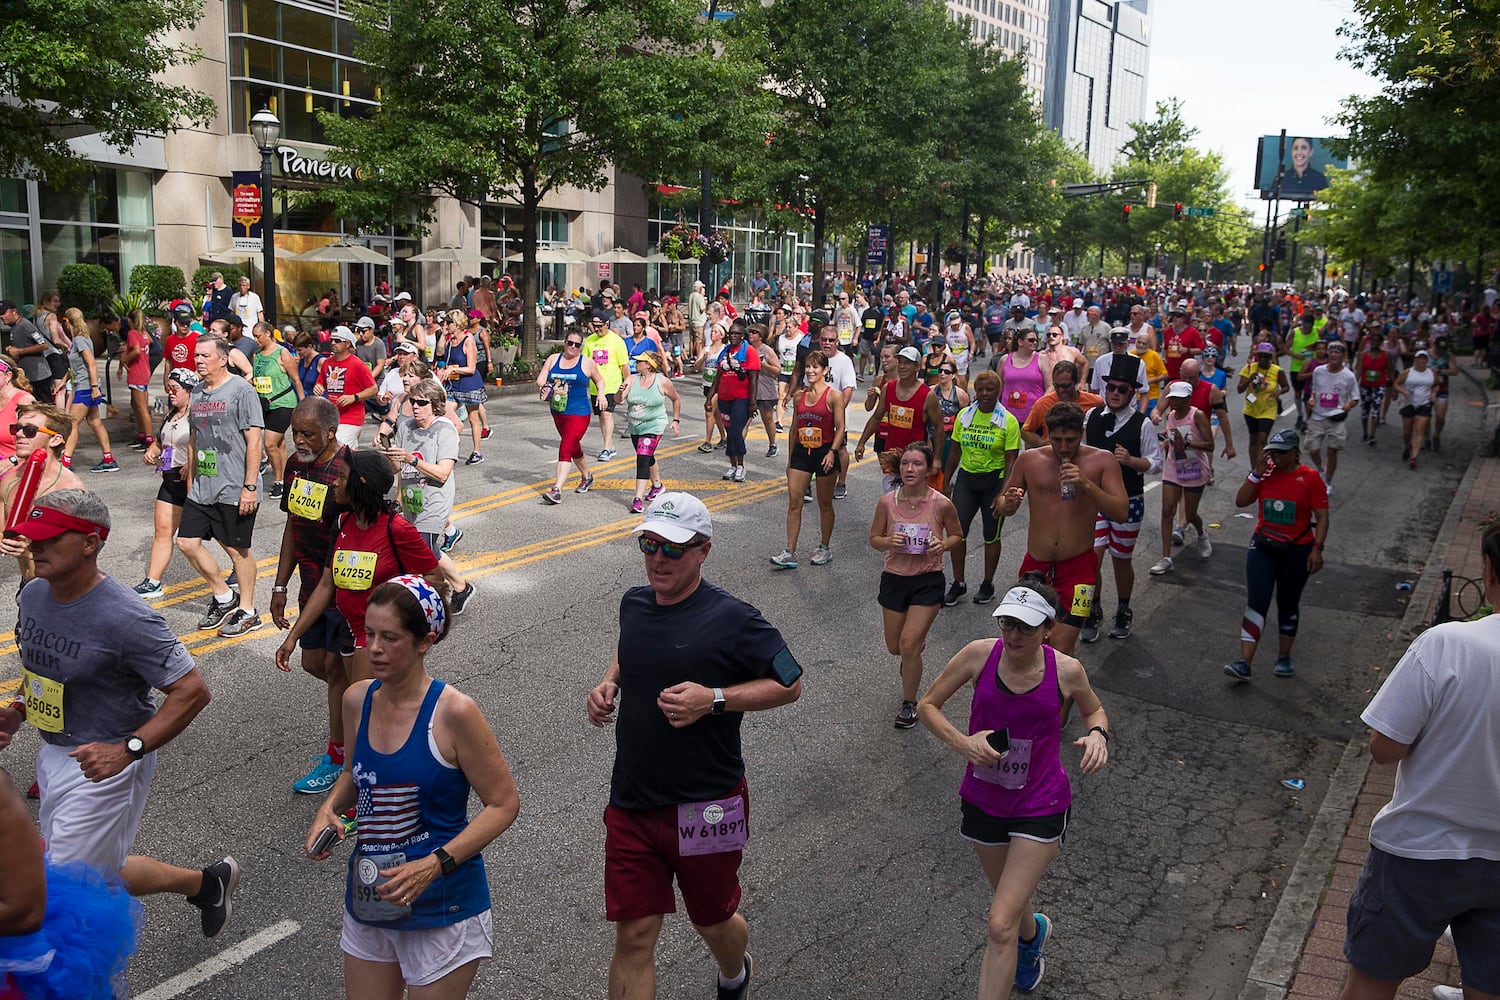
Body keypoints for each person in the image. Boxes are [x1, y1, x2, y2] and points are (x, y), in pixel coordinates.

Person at [586, 492, 804, 1000]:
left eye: (673, 549)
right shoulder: (634, 604)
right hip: (633, 801)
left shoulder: (735, 619)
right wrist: (609, 683)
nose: (658, 559)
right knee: (634, 935)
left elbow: (791, 683)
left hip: (707, 803)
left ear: (704, 550)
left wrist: (717, 699)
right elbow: (630, 645)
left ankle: (734, 971)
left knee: (712, 921)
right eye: (650, 544)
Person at [0, 489, 240, 937]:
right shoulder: (33, 594)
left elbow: (192, 690)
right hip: (54, 754)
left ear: (90, 543)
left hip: (105, 765)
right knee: (88, 871)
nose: (36, 547)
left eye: (50, 539)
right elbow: (43, 668)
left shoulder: (127, 617)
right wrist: (18, 710)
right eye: (33, 538)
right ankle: (207, 885)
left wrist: (126, 751)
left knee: (61, 889)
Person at [306, 577, 519, 998]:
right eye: (369, 634)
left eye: (390, 637)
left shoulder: (454, 712)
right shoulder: (357, 699)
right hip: (370, 896)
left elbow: (503, 804)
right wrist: (328, 809)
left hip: (442, 904)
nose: (374, 648)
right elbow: (352, 773)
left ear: (426, 641)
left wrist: (434, 864)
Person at [916, 580, 1110, 996]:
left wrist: (1098, 736)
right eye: (1007, 623)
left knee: (999, 922)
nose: (1013, 635)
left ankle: (1020, 941)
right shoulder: (978, 655)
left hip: (1041, 802)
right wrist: (964, 743)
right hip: (985, 799)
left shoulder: (1066, 670)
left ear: (1048, 628)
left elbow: (1093, 709)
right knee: (1011, 902)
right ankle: (1033, 933)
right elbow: (927, 705)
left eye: (1025, 626)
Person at [1337, 525, 1500, 1000]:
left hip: (1420, 851)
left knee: (1371, 982)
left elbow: (1385, 748)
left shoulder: (1447, 644)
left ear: (1488, 571)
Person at [275, 448, 442, 685]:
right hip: (348, 629)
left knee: (361, 702)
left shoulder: (396, 528)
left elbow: (435, 576)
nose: (334, 482)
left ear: (359, 485)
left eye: (342, 478)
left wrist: (397, 607)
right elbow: (325, 586)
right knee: (356, 703)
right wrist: (293, 638)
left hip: (375, 634)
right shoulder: (342, 523)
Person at [998, 403, 1130, 654]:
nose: (1064, 447)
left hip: (1080, 571)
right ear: (1047, 433)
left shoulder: (1102, 461)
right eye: (1057, 440)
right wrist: (1009, 502)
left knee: (1061, 647)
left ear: (1081, 432)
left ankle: (1061, 693)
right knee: (1026, 641)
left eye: (1070, 440)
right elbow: (1003, 505)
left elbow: (1121, 512)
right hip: (1035, 567)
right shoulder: (1030, 460)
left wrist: (1086, 484)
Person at [869, 442, 964, 728]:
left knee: (909, 645)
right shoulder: (887, 502)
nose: (910, 469)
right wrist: (888, 541)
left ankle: (909, 704)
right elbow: (874, 539)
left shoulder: (941, 503)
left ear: (927, 470)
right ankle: (911, 654)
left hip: (927, 579)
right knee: (895, 647)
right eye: (905, 464)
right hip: (895, 579)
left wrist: (942, 544)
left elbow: (958, 535)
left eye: (917, 464)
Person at [177, 335, 265, 638]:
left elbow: (255, 440)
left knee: (238, 550)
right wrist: (191, 480)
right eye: (196, 356)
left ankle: (249, 611)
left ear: (223, 358)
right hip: (204, 485)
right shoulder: (198, 392)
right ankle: (225, 596)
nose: (199, 361)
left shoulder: (242, 391)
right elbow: (194, 439)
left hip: (235, 484)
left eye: (205, 355)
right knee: (186, 541)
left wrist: (249, 486)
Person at [1223, 429, 1328, 682]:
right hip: (1263, 547)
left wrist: (1317, 548)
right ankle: (1244, 662)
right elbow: (1240, 501)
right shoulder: (1265, 475)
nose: (1276, 457)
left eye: (1282, 453)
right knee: (1256, 602)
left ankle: (1283, 656)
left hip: (1297, 550)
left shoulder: (1310, 478)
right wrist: (1257, 472)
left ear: (1295, 453)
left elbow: (1322, 516)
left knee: (1288, 603)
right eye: (1273, 452)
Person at [383, 379, 478, 613]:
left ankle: (423, 602)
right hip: (412, 498)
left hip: (435, 498)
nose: (415, 406)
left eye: (421, 402)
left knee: (421, 550)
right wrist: (388, 455)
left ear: (435, 405)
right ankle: (460, 586)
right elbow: (398, 468)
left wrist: (411, 459)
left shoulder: (444, 430)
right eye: (413, 401)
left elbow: (443, 473)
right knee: (428, 550)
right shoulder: (405, 427)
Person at [1079, 376, 1162, 640]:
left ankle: (1124, 609)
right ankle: (1092, 609)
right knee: (1092, 556)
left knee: (1121, 560)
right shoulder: (1091, 415)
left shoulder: (1142, 423)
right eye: (1110, 387)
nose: (1114, 393)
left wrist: (1131, 460)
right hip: (1094, 499)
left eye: (1121, 389)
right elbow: (1080, 449)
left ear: (1132, 393)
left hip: (1129, 501)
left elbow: (1156, 463)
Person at [942, 371, 1021, 606]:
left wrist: (1003, 493)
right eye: (982, 389)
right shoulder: (964, 415)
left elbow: (1011, 461)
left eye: (991, 390)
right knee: (958, 534)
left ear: (998, 392)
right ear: (976, 391)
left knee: (991, 534)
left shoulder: (1008, 421)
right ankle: (958, 583)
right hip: (967, 479)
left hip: (993, 482)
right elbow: (955, 451)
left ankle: (987, 583)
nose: (985, 394)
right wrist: (946, 482)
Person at [772, 350, 847, 568]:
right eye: (808, 367)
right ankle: (790, 552)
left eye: (815, 367)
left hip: (824, 453)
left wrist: (832, 452)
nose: (810, 371)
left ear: (825, 370)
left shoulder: (834, 396)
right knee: (794, 503)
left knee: (824, 504)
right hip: (801, 453)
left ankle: (824, 547)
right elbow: (794, 428)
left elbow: (840, 428)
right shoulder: (799, 396)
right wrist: (789, 460)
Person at [0, 404, 84, 583]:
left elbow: (76, 554)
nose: (20, 434)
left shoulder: (70, 490)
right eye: (17, 428)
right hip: (28, 584)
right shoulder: (10, 481)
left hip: (62, 588)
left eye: (30, 430)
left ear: (55, 440)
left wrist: (29, 552)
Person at [135, 369, 199, 598]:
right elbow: (162, 443)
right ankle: (153, 581)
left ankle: (236, 568)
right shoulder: (170, 414)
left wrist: (191, 465)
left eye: (175, 389)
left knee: (211, 533)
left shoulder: (197, 415)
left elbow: (207, 445)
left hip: (192, 481)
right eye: (168, 388)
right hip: (169, 479)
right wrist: (152, 451)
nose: (170, 393)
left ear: (189, 391)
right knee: (162, 532)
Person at [536, 331, 608, 505]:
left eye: (577, 345)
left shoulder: (586, 362)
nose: (573, 347)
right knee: (573, 447)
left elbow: (599, 380)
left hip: (579, 412)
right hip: (558, 411)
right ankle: (587, 477)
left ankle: (557, 490)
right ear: (564, 342)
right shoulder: (554, 359)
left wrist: (601, 395)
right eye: (570, 343)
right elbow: (540, 380)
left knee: (566, 446)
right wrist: (547, 387)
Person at [1150, 381, 1213, 576]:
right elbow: (1172, 438)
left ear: (1188, 399)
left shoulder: (1198, 415)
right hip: (1173, 466)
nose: (1174, 402)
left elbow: (1209, 445)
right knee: (1167, 510)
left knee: (1191, 514)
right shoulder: (1170, 416)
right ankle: (1166, 557)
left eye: (1178, 399)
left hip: (1194, 466)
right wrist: (1166, 439)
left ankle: (1202, 534)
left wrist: (1187, 442)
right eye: (1172, 398)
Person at [621, 350, 681, 514]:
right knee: (647, 456)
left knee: (642, 458)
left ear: (648, 365)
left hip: (655, 425)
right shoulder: (632, 379)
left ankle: (637, 499)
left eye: (639, 361)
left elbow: (676, 399)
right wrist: (620, 391)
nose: (636, 363)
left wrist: (675, 420)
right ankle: (657, 485)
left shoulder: (662, 381)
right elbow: (619, 400)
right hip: (635, 425)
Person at [58, 309, 117, 473]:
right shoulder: (82, 339)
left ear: (67, 322)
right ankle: (108, 459)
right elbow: (76, 367)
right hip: (85, 385)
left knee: (72, 423)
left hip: (86, 387)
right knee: (94, 421)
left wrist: (93, 388)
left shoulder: (79, 340)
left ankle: (65, 462)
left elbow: (91, 364)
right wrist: (64, 381)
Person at [252, 320, 302, 500]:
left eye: (258, 336)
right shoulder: (256, 355)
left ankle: (279, 481)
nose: (256, 340)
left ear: (268, 334)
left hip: (283, 403)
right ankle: (286, 479)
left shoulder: (282, 353)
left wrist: (303, 404)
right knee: (279, 445)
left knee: (270, 443)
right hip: (264, 403)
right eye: (254, 336)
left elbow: (296, 379)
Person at [710, 321, 762, 483]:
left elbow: (754, 379)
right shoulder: (725, 352)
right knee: (728, 434)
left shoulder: (750, 352)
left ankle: (741, 466)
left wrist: (753, 402)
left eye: (736, 334)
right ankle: (732, 465)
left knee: (736, 432)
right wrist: (709, 398)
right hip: (725, 398)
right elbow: (717, 377)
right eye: (731, 333)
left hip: (742, 398)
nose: (733, 336)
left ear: (742, 336)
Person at [1304, 340, 1359, 490]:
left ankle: (1328, 481)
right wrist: (1312, 398)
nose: (1333, 355)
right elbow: (1314, 390)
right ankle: (1322, 469)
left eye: (1337, 352)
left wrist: (1348, 405)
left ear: (1343, 355)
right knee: (1313, 449)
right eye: (1331, 352)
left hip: (1336, 417)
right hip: (1318, 415)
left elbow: (1355, 397)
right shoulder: (1318, 371)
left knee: (1332, 451)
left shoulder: (1348, 376)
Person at [437, 310, 489, 465]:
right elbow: (440, 352)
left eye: (449, 322)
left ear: (457, 324)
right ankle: (452, 441)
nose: (446, 325)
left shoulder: (468, 340)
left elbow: (471, 368)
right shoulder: (449, 339)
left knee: (473, 418)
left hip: (469, 384)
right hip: (453, 384)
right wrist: (443, 334)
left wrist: (452, 369)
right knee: (446, 411)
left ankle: (477, 451)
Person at [316, 326, 378, 448]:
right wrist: (318, 387)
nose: (333, 343)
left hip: (351, 417)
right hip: (331, 415)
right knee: (343, 456)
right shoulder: (327, 363)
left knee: (337, 450)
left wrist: (354, 397)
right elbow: (321, 382)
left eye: (337, 340)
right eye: (332, 340)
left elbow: (373, 389)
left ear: (348, 343)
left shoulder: (358, 365)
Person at [584, 313, 630, 462]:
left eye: (599, 326)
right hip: (594, 387)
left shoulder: (617, 341)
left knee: (606, 414)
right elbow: (585, 364)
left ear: (607, 324)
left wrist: (627, 385)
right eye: (594, 326)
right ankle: (610, 445)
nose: (596, 329)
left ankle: (606, 448)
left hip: (612, 385)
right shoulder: (590, 341)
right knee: (601, 417)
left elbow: (624, 366)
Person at [1237, 342, 1291, 470]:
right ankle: (1254, 468)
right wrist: (1249, 379)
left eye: (1266, 357)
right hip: (1251, 409)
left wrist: (1278, 392)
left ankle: (1262, 466)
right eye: (1260, 356)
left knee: (1262, 438)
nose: (1263, 359)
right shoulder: (1249, 368)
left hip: (1268, 409)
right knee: (1253, 439)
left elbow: (1286, 387)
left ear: (1271, 357)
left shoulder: (1277, 371)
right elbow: (1239, 389)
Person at [1, 300, 58, 404]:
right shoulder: (14, 328)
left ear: (14, 311)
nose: (1, 316)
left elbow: (44, 345)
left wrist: (19, 351)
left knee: (45, 406)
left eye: (4, 313)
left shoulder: (25, 325)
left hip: (39, 376)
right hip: (28, 376)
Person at [1393, 350, 1435, 471]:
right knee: (1407, 432)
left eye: (1424, 359)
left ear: (1427, 361)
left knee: (1419, 430)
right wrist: (1403, 391)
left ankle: (1414, 458)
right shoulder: (1408, 372)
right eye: (1419, 358)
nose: (1421, 361)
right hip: (1408, 404)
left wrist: (1434, 393)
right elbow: (1396, 384)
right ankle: (1408, 446)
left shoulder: (1431, 373)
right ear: (1415, 359)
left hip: (1424, 404)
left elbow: (1436, 384)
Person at [0, 358, 36, 471]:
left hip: (17, 467)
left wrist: (13, 460)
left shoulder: (24, 401)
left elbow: (38, 441)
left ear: (8, 376)